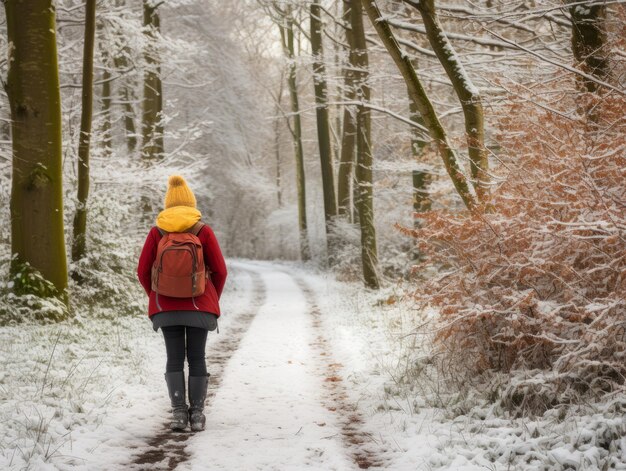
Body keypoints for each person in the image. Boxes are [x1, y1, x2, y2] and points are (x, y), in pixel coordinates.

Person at [137, 175, 227, 432]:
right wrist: (210, 298)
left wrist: (156, 296)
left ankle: (178, 414)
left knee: (174, 358)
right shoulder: (202, 230)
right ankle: (197, 415)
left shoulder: (157, 231)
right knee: (197, 357)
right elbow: (220, 271)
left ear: (167, 203)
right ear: (191, 202)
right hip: (200, 306)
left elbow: (142, 271)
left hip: (166, 308)